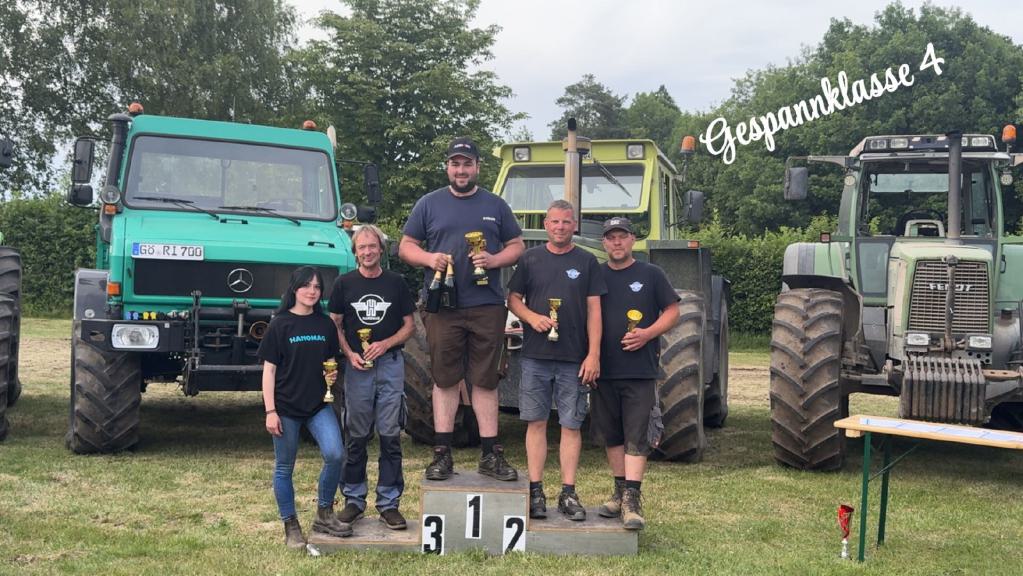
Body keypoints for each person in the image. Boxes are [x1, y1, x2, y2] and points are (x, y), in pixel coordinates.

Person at [398, 136, 525, 482]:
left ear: (477, 167)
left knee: (485, 380)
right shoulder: (429, 204)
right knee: (444, 380)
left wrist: (494, 260)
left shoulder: (496, 205)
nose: (461, 170)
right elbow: (406, 246)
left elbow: (517, 245)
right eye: (455, 164)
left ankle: (490, 454)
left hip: (487, 305)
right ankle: (442, 454)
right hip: (443, 306)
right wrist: (429, 258)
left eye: (467, 164)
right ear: (448, 168)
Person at [507, 199, 606, 521]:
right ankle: (536, 491)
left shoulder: (587, 261)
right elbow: (513, 299)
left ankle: (568, 492)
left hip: (574, 358)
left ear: (574, 225)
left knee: (571, 425)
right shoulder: (530, 258)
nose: (560, 227)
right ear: (546, 225)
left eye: (566, 222)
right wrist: (532, 318)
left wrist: (593, 354)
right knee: (535, 422)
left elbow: (595, 310)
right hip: (535, 356)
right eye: (555, 221)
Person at [594, 217, 680, 531]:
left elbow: (672, 310)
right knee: (612, 435)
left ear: (633, 240)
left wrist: (647, 333)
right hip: (603, 370)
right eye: (611, 238)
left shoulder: (651, 274)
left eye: (622, 237)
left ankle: (632, 500)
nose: (617, 242)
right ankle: (619, 491)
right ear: (604, 243)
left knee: (637, 435)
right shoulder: (596, 275)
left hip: (640, 370)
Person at [328, 225, 416, 531]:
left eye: (372, 246)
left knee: (390, 435)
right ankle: (353, 499)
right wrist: (350, 353)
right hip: (358, 369)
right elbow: (335, 324)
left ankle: (389, 503)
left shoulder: (396, 283)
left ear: (381, 249)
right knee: (356, 435)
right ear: (355, 253)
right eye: (362, 247)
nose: (367, 252)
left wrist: (386, 344)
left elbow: (409, 326)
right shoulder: (344, 284)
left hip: (390, 365)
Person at [260, 266, 352, 549]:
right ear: (294, 288)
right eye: (306, 285)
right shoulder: (280, 324)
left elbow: (330, 362)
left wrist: (330, 375)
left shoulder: (325, 325)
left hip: (318, 405)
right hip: (286, 408)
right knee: (284, 467)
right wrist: (270, 411)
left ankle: (324, 513)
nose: (312, 291)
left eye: (317, 287)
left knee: (335, 455)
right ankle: (291, 526)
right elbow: (269, 371)